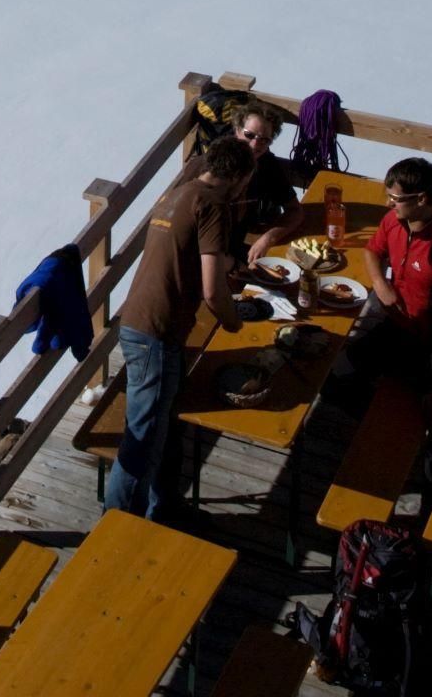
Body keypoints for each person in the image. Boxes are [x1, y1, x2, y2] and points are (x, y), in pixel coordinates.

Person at [104, 136, 254, 516]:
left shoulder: (182, 192)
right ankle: (118, 526)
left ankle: (161, 509)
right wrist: (234, 321)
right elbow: (212, 289)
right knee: (143, 440)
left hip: (137, 320)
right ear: (238, 177)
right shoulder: (213, 204)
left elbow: (193, 253)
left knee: (160, 429)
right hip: (158, 331)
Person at [357, 155, 432, 423]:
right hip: (397, 328)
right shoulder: (393, 221)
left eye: (396, 198)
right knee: (339, 374)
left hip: (430, 343)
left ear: (421, 199)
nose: (389, 203)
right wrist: (381, 284)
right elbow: (372, 251)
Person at [169, 102, 304, 265]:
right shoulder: (211, 162)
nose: (255, 144)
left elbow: (294, 210)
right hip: (197, 250)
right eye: (249, 135)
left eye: (264, 140)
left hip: (233, 247)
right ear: (237, 130)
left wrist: (268, 238)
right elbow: (173, 211)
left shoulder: (267, 165)